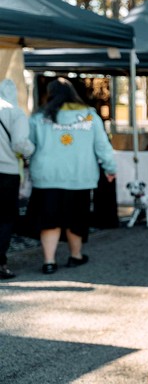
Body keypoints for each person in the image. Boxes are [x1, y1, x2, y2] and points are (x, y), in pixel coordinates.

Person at [27, 78, 116, 274]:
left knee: (49, 219)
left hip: (46, 177)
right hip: (80, 176)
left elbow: (28, 147)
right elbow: (103, 147)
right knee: (77, 218)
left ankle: (49, 261)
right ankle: (75, 256)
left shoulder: (39, 117)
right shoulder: (89, 117)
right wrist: (110, 168)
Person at [0, 79, 35, 279]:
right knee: (5, 218)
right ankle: (0, 262)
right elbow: (20, 143)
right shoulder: (15, 112)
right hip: (6, 172)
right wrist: (32, 151)